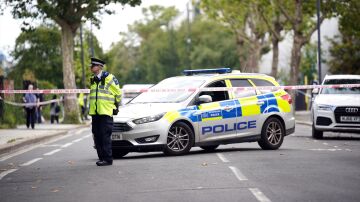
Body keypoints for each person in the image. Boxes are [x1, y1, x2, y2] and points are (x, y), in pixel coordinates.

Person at [89, 57, 121, 166]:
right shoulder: (92, 79)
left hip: (106, 112)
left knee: (105, 136)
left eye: (93, 65)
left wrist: (115, 105)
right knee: (97, 136)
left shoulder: (110, 78)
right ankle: (101, 158)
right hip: (95, 113)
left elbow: (118, 93)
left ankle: (108, 159)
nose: (91, 67)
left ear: (99, 67)